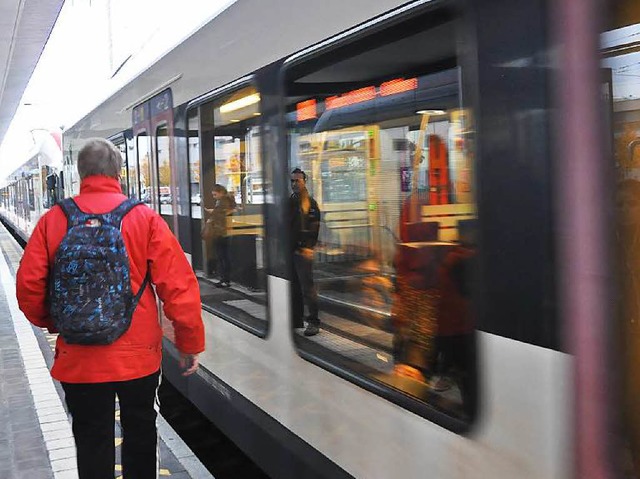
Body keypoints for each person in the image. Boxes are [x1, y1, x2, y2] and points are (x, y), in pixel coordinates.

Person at [16, 138, 205, 479]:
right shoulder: (143, 218)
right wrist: (189, 343)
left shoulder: (53, 220)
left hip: (78, 360)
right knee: (141, 434)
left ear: (80, 172)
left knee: (91, 440)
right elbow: (179, 288)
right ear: (118, 172)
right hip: (138, 359)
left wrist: (58, 322)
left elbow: (28, 287)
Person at [290, 167, 321, 336]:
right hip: (291, 250)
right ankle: (297, 319)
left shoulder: (310, 203)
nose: (295, 183)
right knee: (295, 287)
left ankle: (314, 321)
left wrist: (309, 247)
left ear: (304, 181)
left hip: (303, 251)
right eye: (292, 181)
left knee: (307, 288)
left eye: (298, 180)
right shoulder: (291, 201)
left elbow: (314, 227)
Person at [204, 184, 234, 287]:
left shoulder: (223, 201)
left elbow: (220, 214)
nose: (214, 197)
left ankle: (224, 279)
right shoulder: (229, 200)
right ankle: (226, 279)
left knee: (222, 256)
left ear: (221, 192)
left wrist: (212, 213)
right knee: (225, 256)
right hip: (226, 231)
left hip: (221, 232)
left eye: (215, 195)